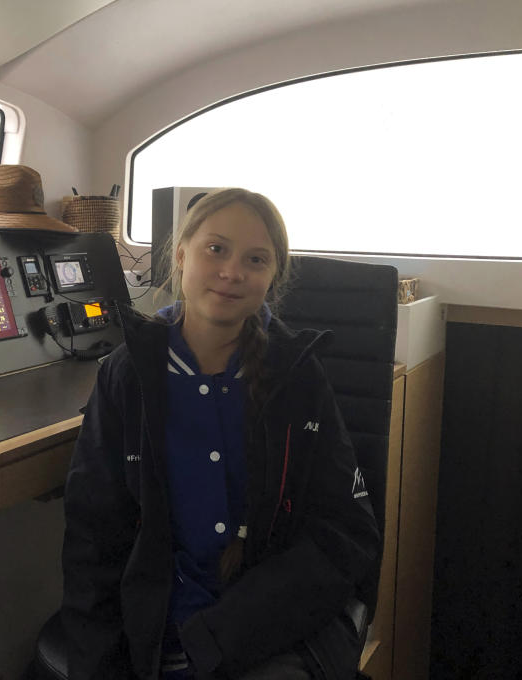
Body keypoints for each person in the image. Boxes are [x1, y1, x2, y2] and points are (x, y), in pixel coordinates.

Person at [61, 188, 380, 680]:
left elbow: (346, 533)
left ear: (273, 278)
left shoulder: (297, 376)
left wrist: (226, 633)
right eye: (216, 249)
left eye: (256, 259)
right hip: (160, 636)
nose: (233, 272)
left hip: (267, 634)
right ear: (182, 254)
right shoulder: (128, 376)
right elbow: (93, 539)